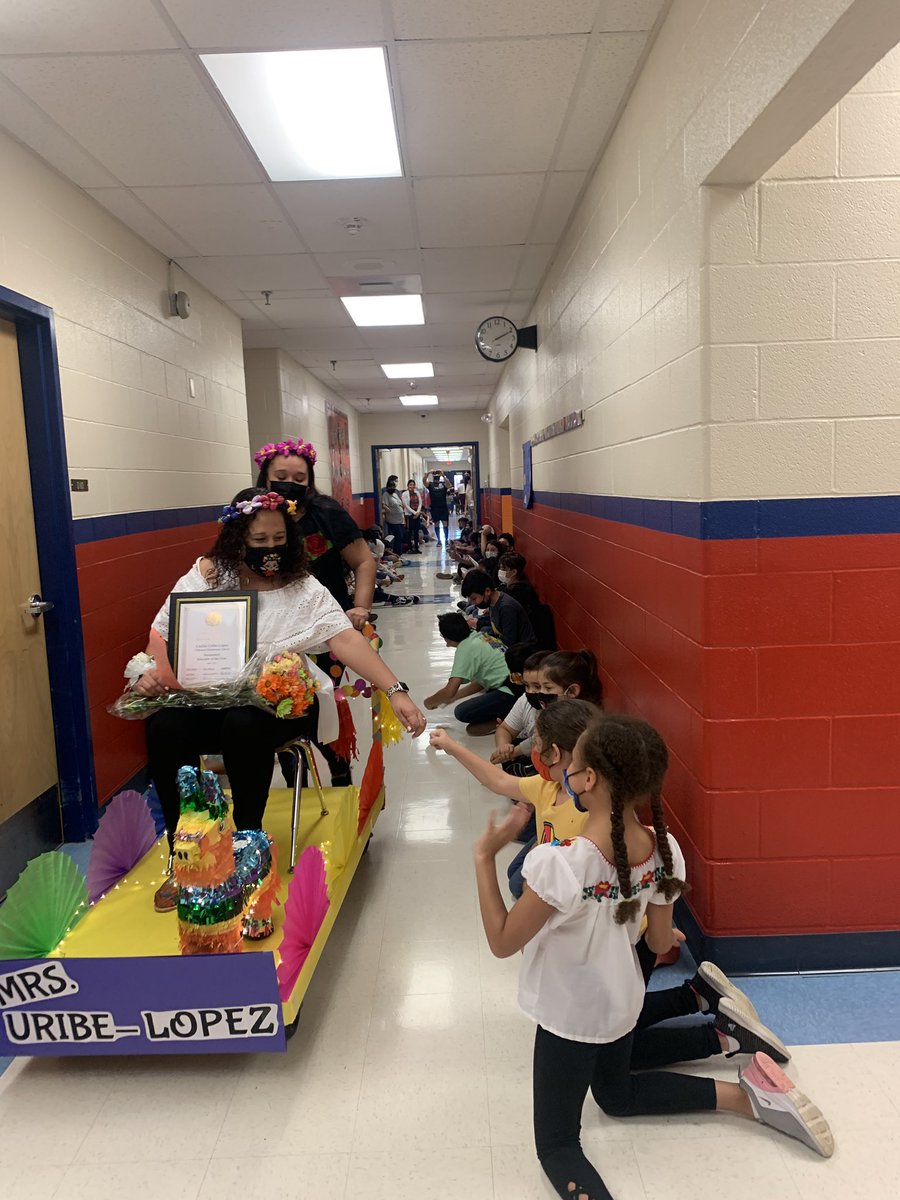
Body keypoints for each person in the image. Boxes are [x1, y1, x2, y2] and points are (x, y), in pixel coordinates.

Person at [462, 713, 833, 1198]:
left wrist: (483, 858)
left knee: (556, 1145)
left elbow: (503, 942)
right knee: (615, 1096)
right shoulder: (665, 850)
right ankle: (746, 1097)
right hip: (623, 1003)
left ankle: (733, 1067)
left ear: (587, 778)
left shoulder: (560, 862)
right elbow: (659, 944)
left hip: (567, 1015)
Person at [136, 487, 426, 912]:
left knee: (243, 723)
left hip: (283, 704)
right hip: (212, 699)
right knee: (164, 727)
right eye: (259, 542)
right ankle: (188, 851)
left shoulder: (302, 586)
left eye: (278, 540)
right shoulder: (206, 575)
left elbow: (343, 638)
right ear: (237, 538)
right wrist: (151, 673)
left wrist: (395, 689)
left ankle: (247, 846)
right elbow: (165, 631)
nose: (270, 549)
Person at [254, 437, 374, 630]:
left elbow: (363, 561)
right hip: (273, 623)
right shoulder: (252, 514)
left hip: (330, 618)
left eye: (299, 478)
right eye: (281, 477)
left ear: (309, 481)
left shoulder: (327, 512)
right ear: (266, 479)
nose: (290, 484)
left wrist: (360, 607)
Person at [424, 612, 515, 730]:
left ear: (447, 638)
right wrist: (454, 698)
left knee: (462, 712)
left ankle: (510, 721)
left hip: (510, 692)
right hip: (518, 684)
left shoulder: (465, 648)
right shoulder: (481, 636)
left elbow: (450, 690)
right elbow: (480, 683)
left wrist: (429, 702)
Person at [492, 647, 550, 777]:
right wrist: (504, 748)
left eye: (537, 686)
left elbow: (543, 740)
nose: (530, 691)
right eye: (527, 685)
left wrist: (513, 753)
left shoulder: (557, 708)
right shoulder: (525, 700)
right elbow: (504, 729)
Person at [461, 568, 535, 648]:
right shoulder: (494, 601)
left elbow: (508, 644)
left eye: (474, 599)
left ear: (487, 591)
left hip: (520, 651)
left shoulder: (506, 608)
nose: (473, 603)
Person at [536, 649, 603, 708]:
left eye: (548, 688)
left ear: (572, 691)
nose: (541, 692)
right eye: (539, 686)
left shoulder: (580, 721)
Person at [380, 476, 407, 555]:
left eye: (393, 487)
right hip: (392, 520)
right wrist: (387, 509)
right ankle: (397, 553)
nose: (392, 488)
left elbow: (400, 503)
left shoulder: (395, 494)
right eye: (390, 486)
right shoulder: (385, 494)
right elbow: (383, 504)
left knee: (401, 535)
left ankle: (399, 552)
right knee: (398, 535)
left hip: (400, 519)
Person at [425, 470, 452, 542]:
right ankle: (439, 540)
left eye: (438, 476)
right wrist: (428, 473)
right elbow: (424, 481)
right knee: (436, 524)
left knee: (445, 524)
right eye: (435, 476)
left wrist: (443, 475)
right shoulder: (430, 485)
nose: (436, 477)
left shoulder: (443, 484)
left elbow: (449, 485)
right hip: (434, 508)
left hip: (443, 507)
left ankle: (446, 540)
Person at [401, 478, 425, 553]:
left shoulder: (417, 493)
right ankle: (410, 548)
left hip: (417, 515)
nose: (412, 486)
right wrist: (414, 513)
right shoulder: (404, 494)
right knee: (409, 532)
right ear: (408, 486)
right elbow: (406, 505)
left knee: (416, 531)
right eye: (410, 484)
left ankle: (416, 548)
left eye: (413, 485)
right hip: (409, 515)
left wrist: (418, 512)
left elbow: (420, 503)